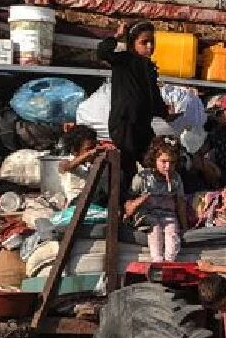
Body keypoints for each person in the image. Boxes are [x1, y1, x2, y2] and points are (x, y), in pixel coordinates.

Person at [97, 22, 168, 192]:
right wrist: (117, 36)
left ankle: (153, 201)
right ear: (132, 44)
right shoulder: (124, 61)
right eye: (144, 42)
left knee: (152, 160)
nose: (150, 47)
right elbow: (102, 52)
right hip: (124, 124)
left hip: (142, 125)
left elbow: (153, 97)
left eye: (152, 42)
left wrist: (165, 113)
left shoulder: (149, 68)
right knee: (125, 168)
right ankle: (119, 207)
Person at [125, 140, 188, 263]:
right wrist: (139, 202)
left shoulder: (176, 178)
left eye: (172, 162)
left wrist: (184, 226)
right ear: (154, 160)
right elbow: (129, 202)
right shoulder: (142, 177)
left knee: (172, 231)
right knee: (155, 228)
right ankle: (157, 260)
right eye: (164, 162)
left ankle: (170, 261)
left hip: (168, 215)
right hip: (147, 215)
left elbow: (180, 203)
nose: (168, 167)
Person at [58, 124, 102, 206]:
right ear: (75, 150)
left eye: (93, 147)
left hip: (91, 201)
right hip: (75, 204)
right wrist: (91, 153)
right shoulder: (66, 162)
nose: (92, 152)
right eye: (88, 149)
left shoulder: (90, 165)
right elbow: (67, 166)